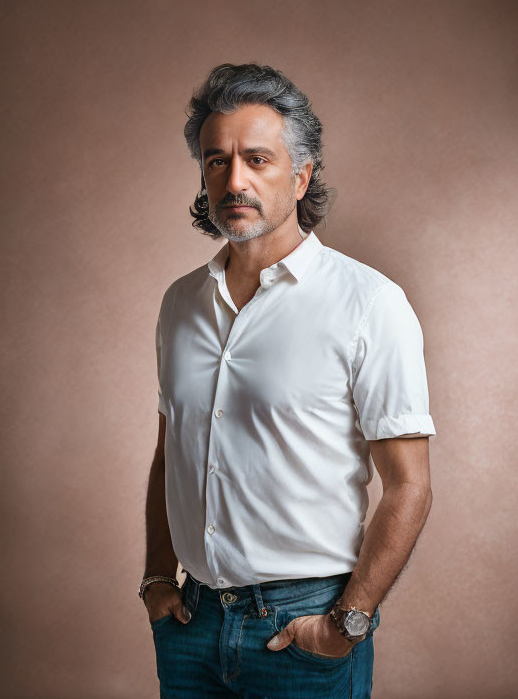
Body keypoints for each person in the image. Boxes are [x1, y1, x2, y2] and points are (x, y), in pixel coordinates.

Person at [141, 62, 436, 698]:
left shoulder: (369, 304)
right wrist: (156, 577)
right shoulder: (180, 303)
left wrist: (347, 624)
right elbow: (173, 450)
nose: (234, 180)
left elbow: (409, 487)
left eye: (257, 159)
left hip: (302, 630)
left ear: (300, 177)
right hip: (192, 627)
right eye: (216, 161)